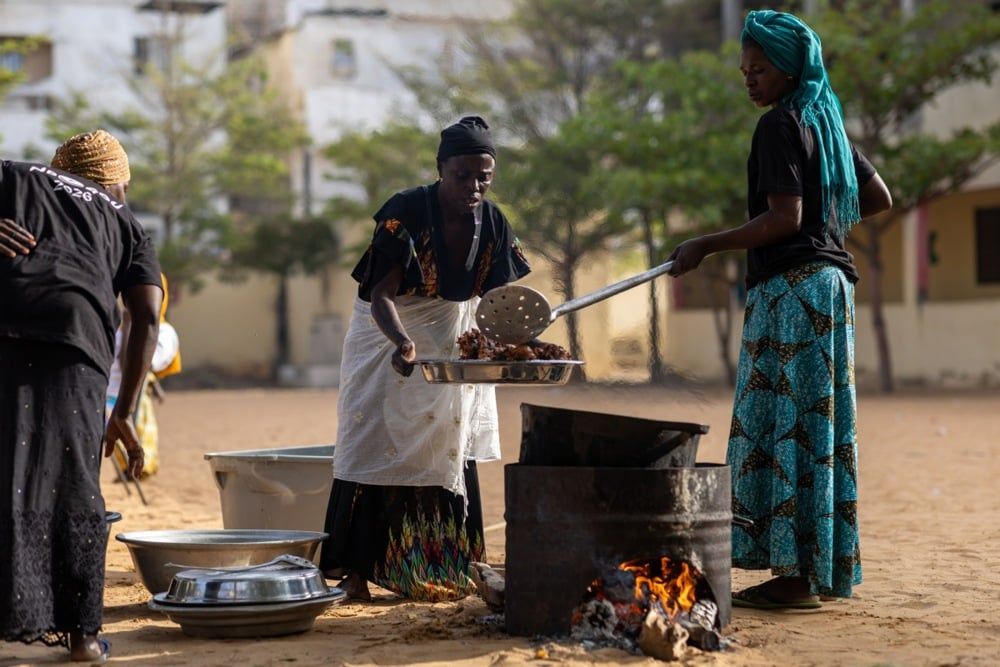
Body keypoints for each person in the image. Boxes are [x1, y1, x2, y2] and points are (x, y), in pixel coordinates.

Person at [667, 10, 892, 609]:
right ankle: (816, 569)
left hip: (793, 292)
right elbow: (878, 197)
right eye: (745, 70)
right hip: (831, 290)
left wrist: (706, 245)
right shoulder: (829, 122)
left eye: (760, 69)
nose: (749, 79)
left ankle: (796, 579)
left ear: (788, 69)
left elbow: (783, 218)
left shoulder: (780, 124)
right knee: (817, 429)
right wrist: (826, 230)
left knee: (785, 426)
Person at [321, 116, 530, 602]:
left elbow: (498, 300)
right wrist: (402, 343)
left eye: (484, 177)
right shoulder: (406, 211)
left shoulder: (494, 222)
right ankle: (355, 572)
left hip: (455, 333)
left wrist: (513, 344)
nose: (474, 187)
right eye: (463, 176)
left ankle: (441, 567)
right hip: (386, 332)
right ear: (441, 170)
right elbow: (381, 293)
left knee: (447, 440)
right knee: (374, 441)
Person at [0, 130, 162, 661]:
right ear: (117, 183)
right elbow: (146, 316)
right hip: (77, 340)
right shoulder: (127, 223)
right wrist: (124, 409)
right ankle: (82, 637)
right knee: (72, 480)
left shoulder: (15, 175)